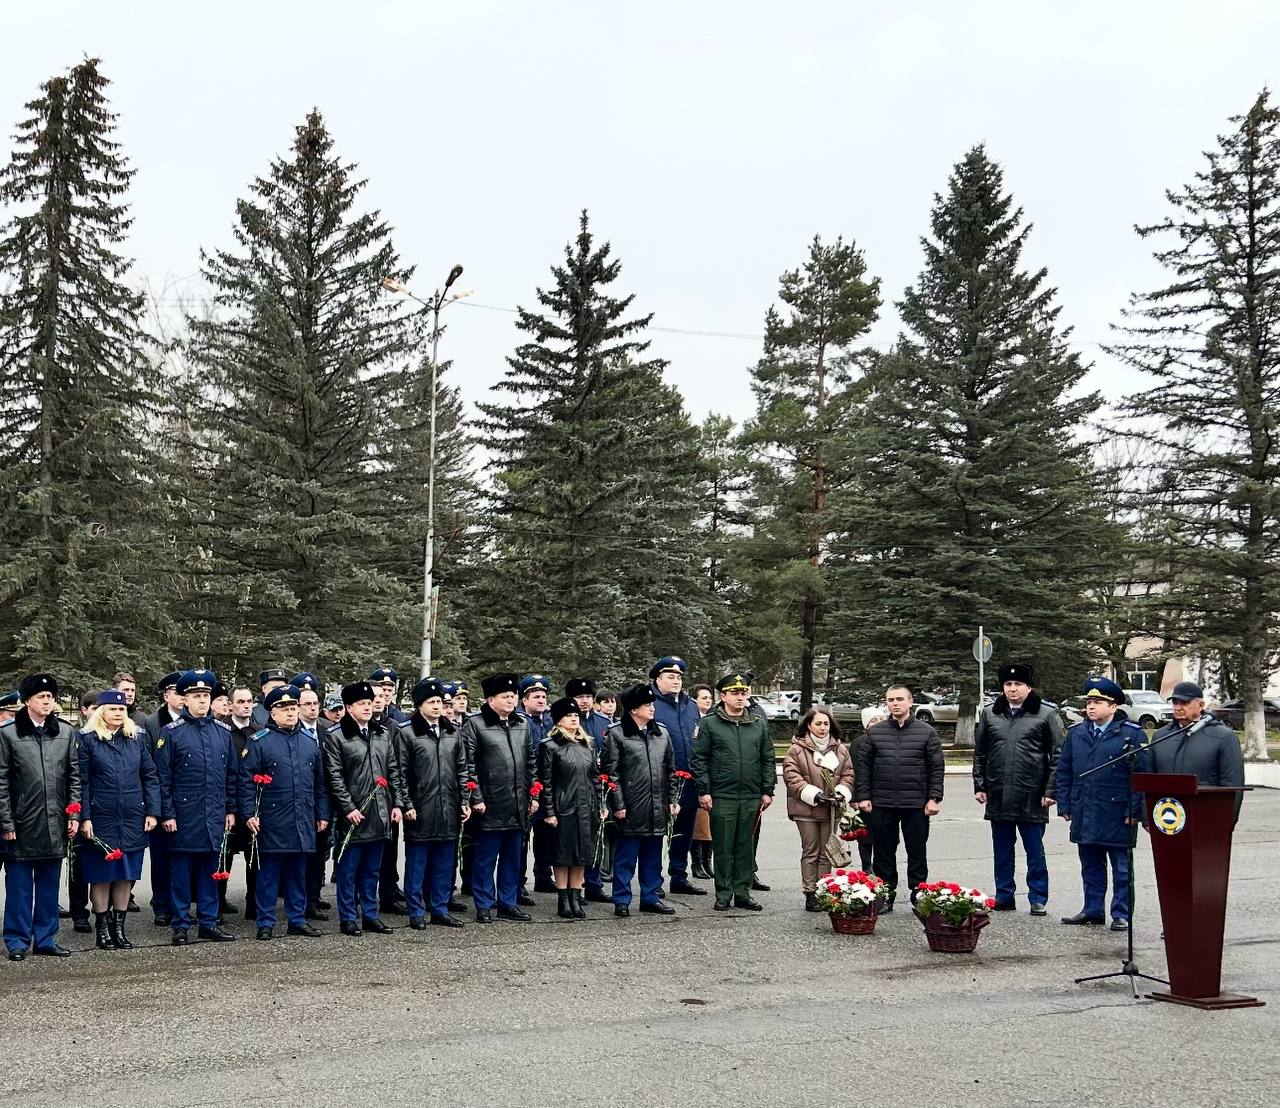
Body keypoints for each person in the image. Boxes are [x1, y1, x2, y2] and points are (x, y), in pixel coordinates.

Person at [1056, 676, 1149, 931]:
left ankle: (1121, 913)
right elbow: (1064, 769)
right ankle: (1092, 909)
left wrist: (1136, 811)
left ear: (1114, 706)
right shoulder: (1077, 733)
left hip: (1118, 811)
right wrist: (1064, 803)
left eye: (1098, 702)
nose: (1091, 707)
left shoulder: (1131, 734)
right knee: (1091, 865)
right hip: (1086, 808)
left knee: (1121, 868)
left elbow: (1142, 777)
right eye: (1089, 702)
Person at [153, 669, 238, 946]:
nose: (202, 700)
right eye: (196, 696)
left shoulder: (222, 733)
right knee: (181, 874)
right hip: (183, 816)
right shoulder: (172, 733)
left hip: (213, 814)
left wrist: (230, 810)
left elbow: (231, 776)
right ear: (185, 700)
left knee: (209, 872)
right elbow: (162, 778)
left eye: (205, 695)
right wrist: (167, 813)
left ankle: (208, 922)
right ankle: (180, 924)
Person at [973, 663, 1064, 916]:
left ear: (1029, 687)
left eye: (1018, 685)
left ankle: (1038, 897)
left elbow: (1058, 754)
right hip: (999, 793)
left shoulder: (1046, 714)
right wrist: (980, 785)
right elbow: (980, 753)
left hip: (1031, 794)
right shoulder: (990, 713)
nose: (1012, 689)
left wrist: (1051, 790)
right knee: (1002, 850)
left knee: (1035, 850)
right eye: (1008, 685)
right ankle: (1004, 894)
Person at [0, 674, 80, 961]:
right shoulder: (8, 734)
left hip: (55, 822)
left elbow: (74, 777)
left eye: (50, 697)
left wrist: (74, 813)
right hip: (22, 824)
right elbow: (2, 781)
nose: (47, 701)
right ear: (27, 702)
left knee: (48, 887)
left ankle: (46, 938)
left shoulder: (65, 733)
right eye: (40, 697)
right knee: (20, 888)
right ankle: (17, 940)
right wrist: (6, 823)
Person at [240, 685, 329, 941]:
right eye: (284, 709)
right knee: (268, 874)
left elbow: (319, 783)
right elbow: (245, 782)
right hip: (271, 819)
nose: (290, 713)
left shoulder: (310, 742)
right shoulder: (259, 742)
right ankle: (265, 921)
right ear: (273, 712)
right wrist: (248, 814)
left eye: (293, 708)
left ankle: (297, 920)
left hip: (302, 817)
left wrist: (322, 813)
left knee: (297, 874)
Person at [77, 689, 160, 951]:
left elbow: (149, 775)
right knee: (102, 876)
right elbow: (83, 782)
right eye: (113, 709)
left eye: (122, 709)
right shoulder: (89, 740)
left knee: (125, 875)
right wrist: (84, 818)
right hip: (100, 818)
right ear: (102, 711)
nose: (118, 713)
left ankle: (119, 929)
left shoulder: (135, 738)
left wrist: (152, 811)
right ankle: (102, 929)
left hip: (133, 817)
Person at [324, 681, 404, 936]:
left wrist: (397, 804)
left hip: (379, 812)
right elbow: (335, 777)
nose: (368, 708)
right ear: (348, 707)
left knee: (372, 870)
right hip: (354, 816)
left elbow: (393, 771)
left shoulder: (382, 733)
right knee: (348, 870)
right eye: (361, 704)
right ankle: (348, 916)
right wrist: (348, 808)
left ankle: (370, 914)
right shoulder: (337, 736)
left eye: (369, 703)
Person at [855, 685, 944, 912]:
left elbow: (936, 768)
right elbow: (863, 768)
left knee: (917, 851)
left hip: (916, 804)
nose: (895, 703)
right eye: (890, 700)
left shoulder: (926, 732)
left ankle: (919, 893)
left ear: (910, 702)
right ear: (886, 703)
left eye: (899, 699)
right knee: (883, 852)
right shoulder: (875, 733)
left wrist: (934, 798)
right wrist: (863, 796)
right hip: (882, 803)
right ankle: (886, 894)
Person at [692, 672, 775, 912]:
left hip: (751, 796)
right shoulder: (710, 723)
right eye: (735, 693)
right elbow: (700, 759)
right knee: (724, 847)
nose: (740, 697)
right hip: (722, 795)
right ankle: (724, 892)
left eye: (744, 693)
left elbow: (767, 759)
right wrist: (704, 791)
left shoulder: (757, 723)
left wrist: (767, 790)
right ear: (723, 696)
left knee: (745, 846)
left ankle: (742, 892)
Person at [460, 673, 535, 924]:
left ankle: (508, 902)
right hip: (490, 802)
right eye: (505, 697)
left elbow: (530, 761)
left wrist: (533, 793)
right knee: (485, 858)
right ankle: (483, 903)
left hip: (517, 802)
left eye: (513, 696)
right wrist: (476, 797)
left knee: (513, 857)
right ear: (490, 699)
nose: (510, 701)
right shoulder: (475, 724)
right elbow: (468, 764)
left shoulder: (521, 724)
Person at [397, 677, 469, 929]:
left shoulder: (452, 731)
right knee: (417, 863)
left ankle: (440, 908)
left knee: (444, 863)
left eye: (440, 701)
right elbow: (400, 772)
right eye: (432, 702)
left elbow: (462, 768)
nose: (438, 706)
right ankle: (416, 910)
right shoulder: (407, 732)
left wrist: (465, 800)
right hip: (421, 806)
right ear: (419, 705)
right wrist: (406, 804)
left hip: (449, 805)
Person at [603, 686, 679, 918]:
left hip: (657, 805)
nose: (652, 708)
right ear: (634, 709)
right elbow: (611, 773)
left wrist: (672, 800)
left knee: (652, 857)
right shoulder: (617, 734)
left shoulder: (661, 734)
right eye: (648, 705)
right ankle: (622, 899)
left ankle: (650, 896)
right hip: (632, 806)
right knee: (626, 857)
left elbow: (671, 770)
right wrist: (619, 805)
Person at [782, 707, 853, 912]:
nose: (822, 728)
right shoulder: (797, 749)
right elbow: (792, 777)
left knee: (828, 852)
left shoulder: (840, 749)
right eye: (818, 724)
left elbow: (849, 774)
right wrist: (814, 794)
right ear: (808, 726)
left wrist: (840, 792)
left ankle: (824, 891)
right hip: (806, 809)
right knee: (811, 851)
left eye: (826, 724)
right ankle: (810, 892)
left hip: (832, 809)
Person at [539, 696, 600, 919]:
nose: (574, 719)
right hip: (563, 805)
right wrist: (549, 811)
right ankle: (563, 900)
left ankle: (576, 897)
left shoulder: (587, 745)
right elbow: (545, 781)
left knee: (581, 855)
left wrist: (600, 804)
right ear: (558, 721)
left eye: (576, 716)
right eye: (568, 716)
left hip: (587, 806)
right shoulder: (551, 746)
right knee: (563, 855)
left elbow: (595, 777)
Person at [649, 655, 705, 896]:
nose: (676, 681)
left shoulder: (690, 705)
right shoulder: (651, 703)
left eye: (679, 677)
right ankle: (653, 881)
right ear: (658, 679)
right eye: (670, 676)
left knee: (683, 832)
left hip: (688, 781)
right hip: (660, 780)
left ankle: (679, 876)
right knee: (657, 833)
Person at [1151, 681, 1245, 822]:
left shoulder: (1223, 736)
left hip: (1206, 817)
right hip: (1167, 818)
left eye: (1184, 703)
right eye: (1175, 702)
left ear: (1201, 705)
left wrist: (1227, 821)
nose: (1178, 707)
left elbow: (1233, 784)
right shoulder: (1161, 736)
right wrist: (1148, 818)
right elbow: (1150, 779)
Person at [566, 678, 613, 904]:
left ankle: (594, 883)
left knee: (596, 836)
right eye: (579, 698)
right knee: (575, 838)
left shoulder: (603, 722)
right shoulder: (563, 721)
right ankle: (574, 886)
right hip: (573, 787)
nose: (584, 702)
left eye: (587, 697)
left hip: (598, 785)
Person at [142, 670, 183, 926]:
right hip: (160, 798)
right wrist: (155, 808)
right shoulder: (151, 724)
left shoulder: (196, 721)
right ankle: (162, 904)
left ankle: (181, 903)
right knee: (161, 857)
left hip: (187, 801)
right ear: (166, 696)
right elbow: (148, 768)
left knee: (183, 858)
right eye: (177, 693)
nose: (182, 698)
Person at [292, 674, 331, 920]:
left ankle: (313, 899)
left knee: (319, 855)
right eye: (307, 704)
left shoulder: (328, 732)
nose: (313, 707)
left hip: (322, 802)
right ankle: (299, 901)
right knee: (300, 857)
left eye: (315, 703)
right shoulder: (291, 732)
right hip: (298, 804)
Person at [370, 668, 409, 916]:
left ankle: (388, 894)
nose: (382, 696)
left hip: (388, 797)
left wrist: (399, 801)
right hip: (364, 797)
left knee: (390, 849)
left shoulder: (395, 726)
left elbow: (399, 765)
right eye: (377, 693)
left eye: (387, 692)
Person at [65, 687, 100, 934]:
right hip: (80, 806)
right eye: (95, 709)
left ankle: (102, 910)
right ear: (84, 710)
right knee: (78, 864)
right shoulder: (76, 738)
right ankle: (79, 912)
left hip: (102, 808)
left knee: (100, 863)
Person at [224, 685, 258, 919]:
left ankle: (253, 905)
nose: (246, 705)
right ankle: (217, 903)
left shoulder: (259, 733)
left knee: (254, 858)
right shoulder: (222, 731)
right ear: (231, 705)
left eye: (249, 702)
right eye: (241, 701)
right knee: (223, 858)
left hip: (253, 805)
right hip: (228, 805)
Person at [519, 674, 554, 898]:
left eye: (543, 696)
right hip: (526, 787)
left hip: (548, 788)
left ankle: (543, 875)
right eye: (536, 696)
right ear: (525, 700)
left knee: (546, 836)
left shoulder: (551, 721)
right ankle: (518, 883)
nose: (541, 700)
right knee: (522, 839)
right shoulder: (520, 722)